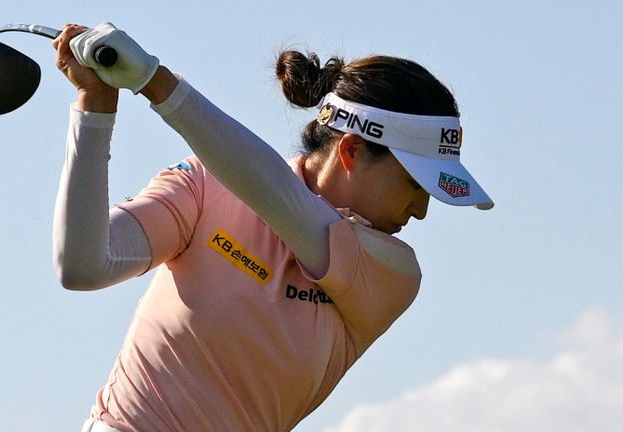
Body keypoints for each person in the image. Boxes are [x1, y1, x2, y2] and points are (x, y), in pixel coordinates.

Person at [52, 22, 493, 432]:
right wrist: (95, 109)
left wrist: (155, 81)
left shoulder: (394, 274)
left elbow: (274, 194)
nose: (421, 211)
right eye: (414, 184)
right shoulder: (207, 184)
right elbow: (84, 266)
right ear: (353, 150)